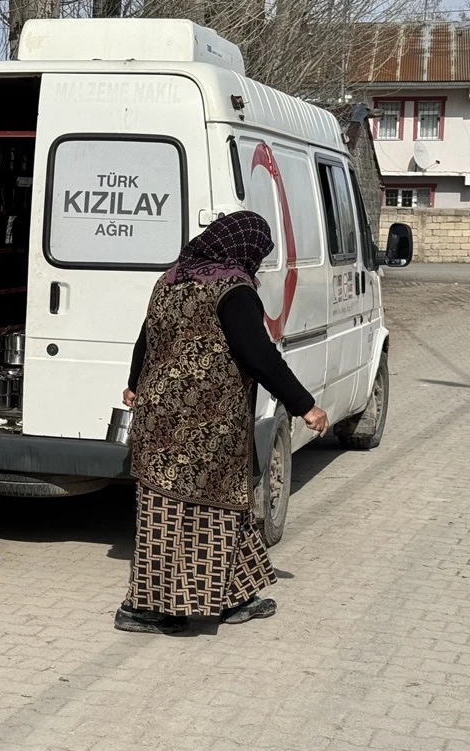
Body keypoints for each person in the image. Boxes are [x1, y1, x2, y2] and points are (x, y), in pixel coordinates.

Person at [118, 211, 329, 635]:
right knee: (185, 512)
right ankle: (143, 609)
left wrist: (133, 383)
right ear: (243, 249)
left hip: (159, 418)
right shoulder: (233, 290)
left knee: (208, 509)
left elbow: (148, 336)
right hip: (205, 425)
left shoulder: (171, 279)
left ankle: (232, 597)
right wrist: (305, 405)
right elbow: (259, 355)